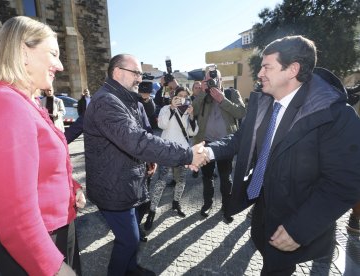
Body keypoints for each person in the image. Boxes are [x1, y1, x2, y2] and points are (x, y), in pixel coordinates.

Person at [202, 35, 360, 275]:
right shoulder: (264, 102)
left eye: (267, 66)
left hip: (295, 218)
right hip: (264, 210)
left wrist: (301, 228)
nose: (260, 74)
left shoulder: (335, 115)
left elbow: (346, 181)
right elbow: (240, 139)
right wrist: (209, 151)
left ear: (292, 69)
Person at [0, 16, 85, 276]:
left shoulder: (21, 101)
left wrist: (72, 188)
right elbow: (14, 215)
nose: (61, 65)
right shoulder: (2, 104)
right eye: (53, 53)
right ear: (22, 52)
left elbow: (45, 160)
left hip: (58, 226)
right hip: (38, 242)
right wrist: (53, 268)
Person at [82, 54, 208, 276]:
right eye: (136, 73)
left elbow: (140, 137)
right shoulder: (107, 102)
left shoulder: (123, 99)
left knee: (132, 238)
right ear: (118, 72)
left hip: (127, 181)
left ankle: (130, 269)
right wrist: (187, 155)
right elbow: (136, 141)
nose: (140, 78)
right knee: (129, 240)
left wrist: (148, 161)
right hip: (113, 186)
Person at [192, 66, 246, 220]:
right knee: (207, 176)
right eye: (208, 80)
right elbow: (193, 111)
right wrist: (202, 92)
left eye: (214, 79)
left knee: (225, 177)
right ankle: (207, 204)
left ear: (221, 79)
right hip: (206, 144)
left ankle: (226, 206)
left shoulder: (231, 93)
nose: (212, 82)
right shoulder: (203, 95)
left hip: (225, 144)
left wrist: (223, 100)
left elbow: (241, 112)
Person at [144, 87, 199, 231]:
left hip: (181, 152)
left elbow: (193, 132)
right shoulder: (165, 109)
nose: (182, 99)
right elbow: (162, 125)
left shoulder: (187, 111)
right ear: (174, 96)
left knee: (181, 180)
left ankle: (176, 203)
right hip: (166, 150)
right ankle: (152, 211)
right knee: (161, 181)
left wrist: (192, 116)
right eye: (179, 96)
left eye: (185, 96)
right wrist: (172, 109)